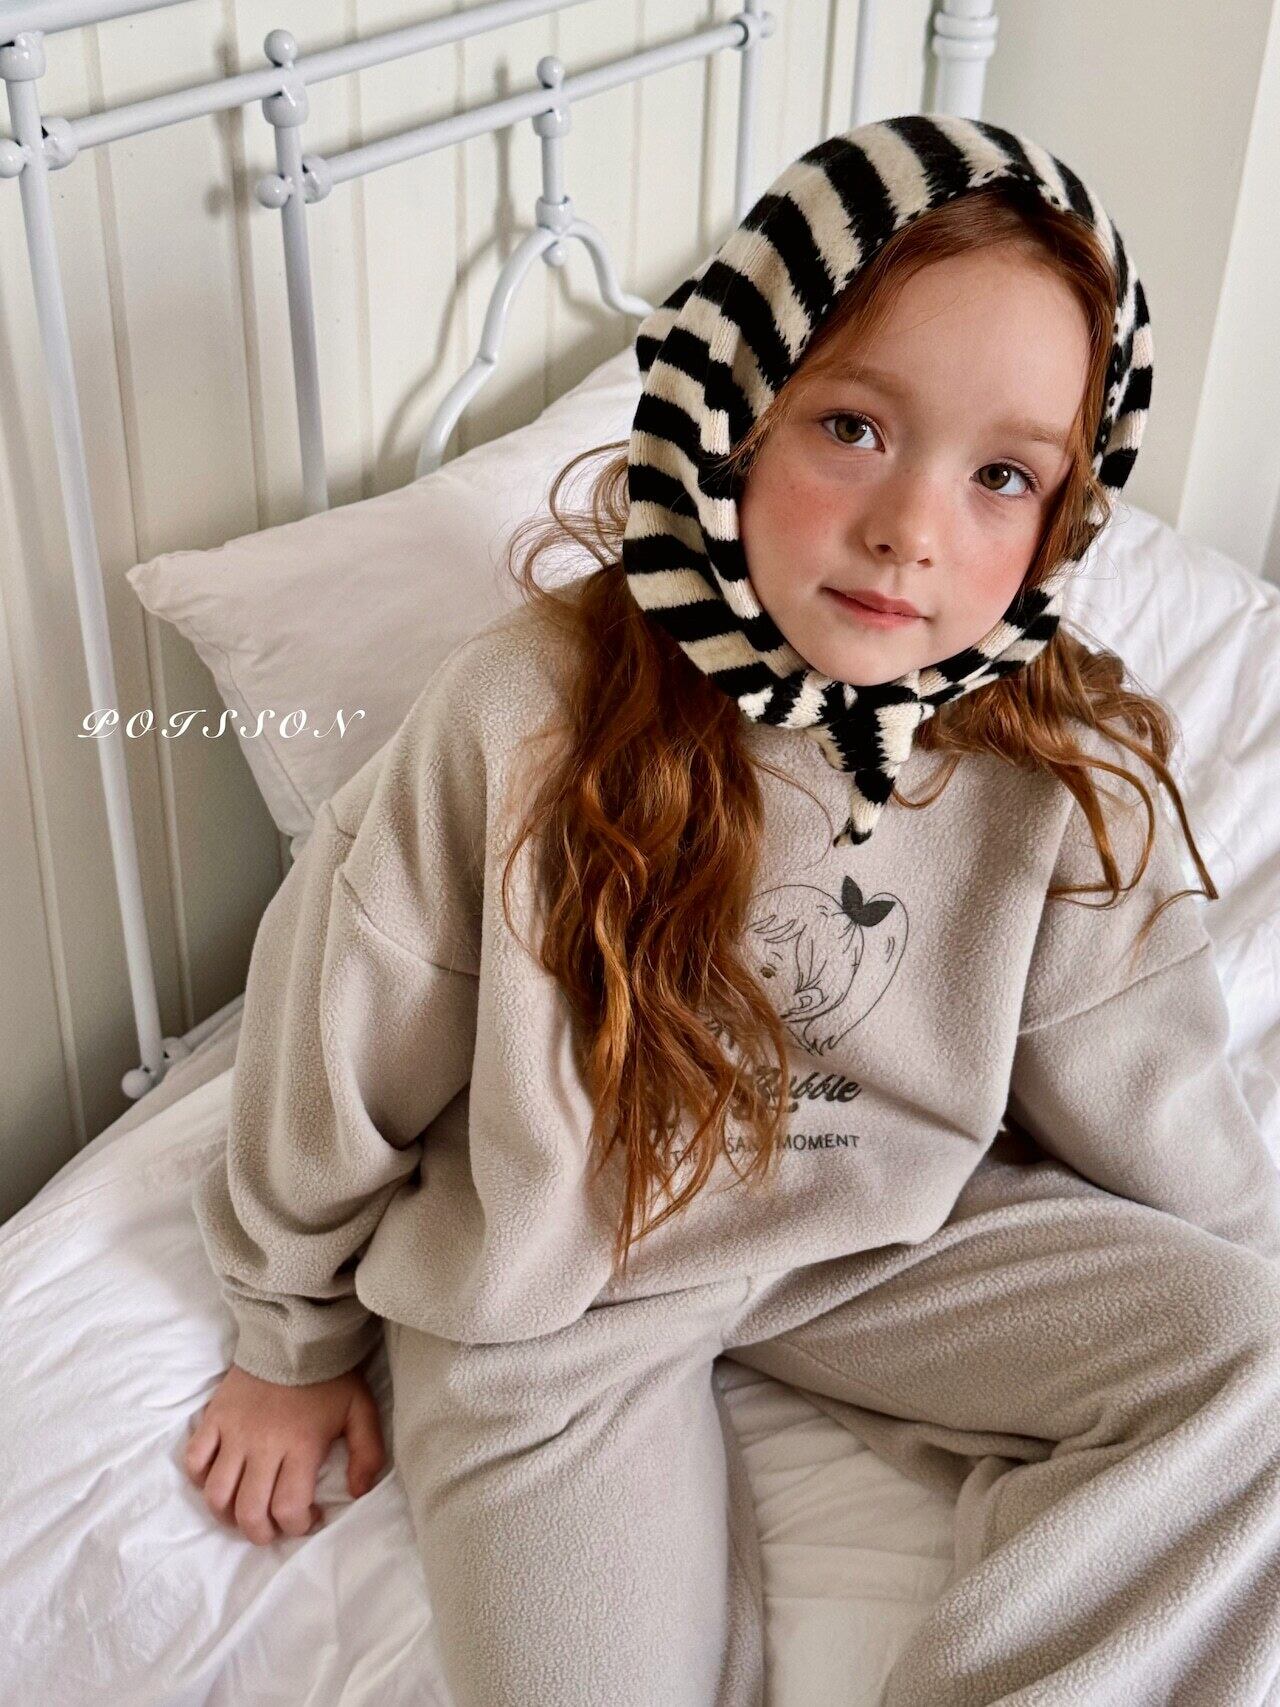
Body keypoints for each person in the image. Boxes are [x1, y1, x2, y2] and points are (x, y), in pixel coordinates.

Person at [183, 114, 1280, 1706]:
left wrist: (1231, 1256)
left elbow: (1140, 1065)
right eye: (852, 425)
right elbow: (335, 1038)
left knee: (1260, 1360)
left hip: (884, 1230)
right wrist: (288, 1346)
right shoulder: (519, 718)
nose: (913, 528)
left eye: (1002, 476)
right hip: (563, 1282)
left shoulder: (1045, 752)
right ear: (734, 409)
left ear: (1067, 511)